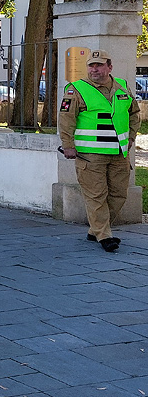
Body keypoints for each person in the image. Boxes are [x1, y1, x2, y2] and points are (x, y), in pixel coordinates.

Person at [58, 49, 141, 253]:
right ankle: (105, 235)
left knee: (118, 194)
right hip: (90, 155)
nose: (94, 69)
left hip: (119, 153)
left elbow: (134, 113)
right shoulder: (75, 89)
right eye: (91, 65)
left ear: (109, 67)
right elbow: (66, 119)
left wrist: (131, 137)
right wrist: (68, 145)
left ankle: (96, 229)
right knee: (96, 195)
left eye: (99, 65)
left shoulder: (122, 86)